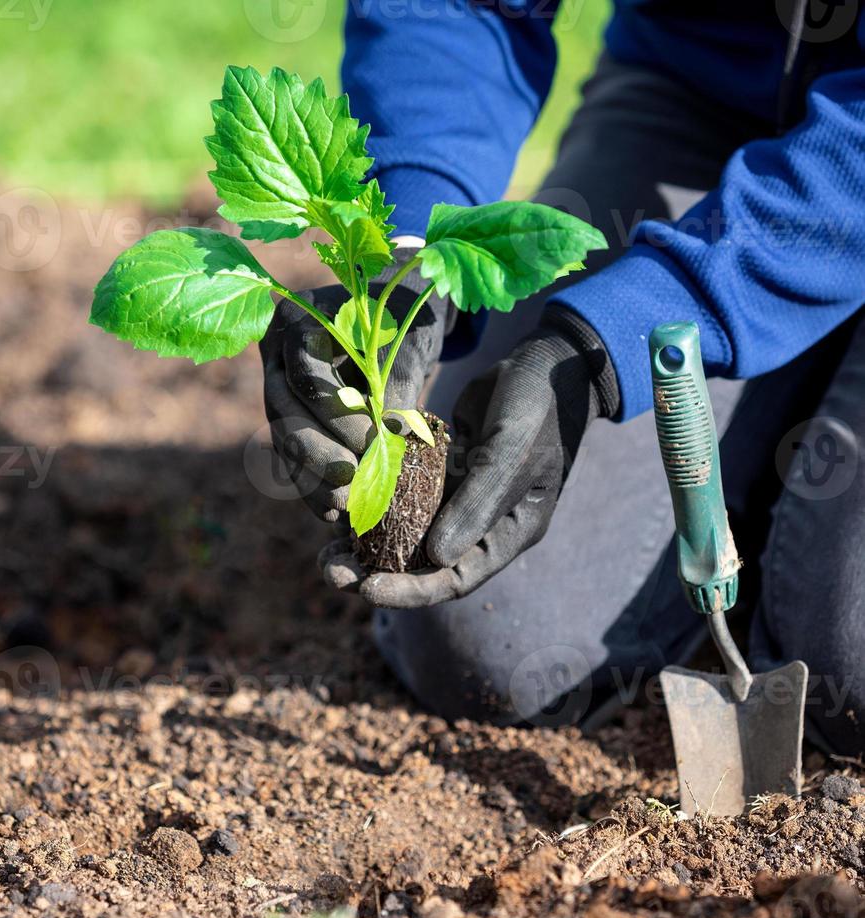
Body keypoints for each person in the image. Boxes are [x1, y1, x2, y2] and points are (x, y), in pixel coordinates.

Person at [260, 1, 865, 753]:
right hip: (704, 101)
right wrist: (407, 242)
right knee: (491, 639)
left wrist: (619, 331)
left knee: (854, 668)